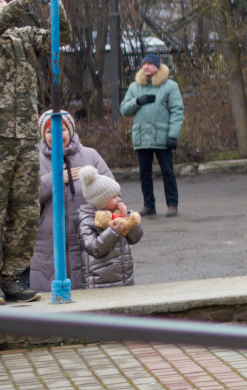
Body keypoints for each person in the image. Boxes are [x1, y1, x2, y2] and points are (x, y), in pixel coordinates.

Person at [0, 0, 68, 304]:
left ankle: (12, 276)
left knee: (25, 212)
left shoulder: (21, 37)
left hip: (24, 135)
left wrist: (57, 6)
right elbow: (1, 21)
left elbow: (59, 38)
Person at [32, 111, 113, 293]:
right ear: (42, 136)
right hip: (46, 243)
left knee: (87, 300)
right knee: (51, 304)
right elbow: (26, 198)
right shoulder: (34, 160)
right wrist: (57, 179)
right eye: (49, 131)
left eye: (61, 129)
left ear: (71, 130)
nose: (56, 135)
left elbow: (113, 192)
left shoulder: (90, 156)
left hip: (86, 238)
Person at [119, 55, 184, 218]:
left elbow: (177, 111)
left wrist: (173, 135)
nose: (145, 67)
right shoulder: (134, 87)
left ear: (158, 66)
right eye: (143, 64)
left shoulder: (170, 86)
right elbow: (124, 110)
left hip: (163, 137)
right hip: (142, 138)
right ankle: (149, 205)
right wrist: (137, 101)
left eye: (149, 64)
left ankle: (172, 205)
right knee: (144, 174)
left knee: (168, 172)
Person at [75, 167, 145, 287]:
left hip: (124, 278)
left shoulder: (117, 214)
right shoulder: (86, 220)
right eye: (114, 197)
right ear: (101, 200)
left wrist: (126, 218)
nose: (119, 199)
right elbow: (94, 248)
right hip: (99, 282)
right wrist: (114, 231)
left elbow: (136, 238)